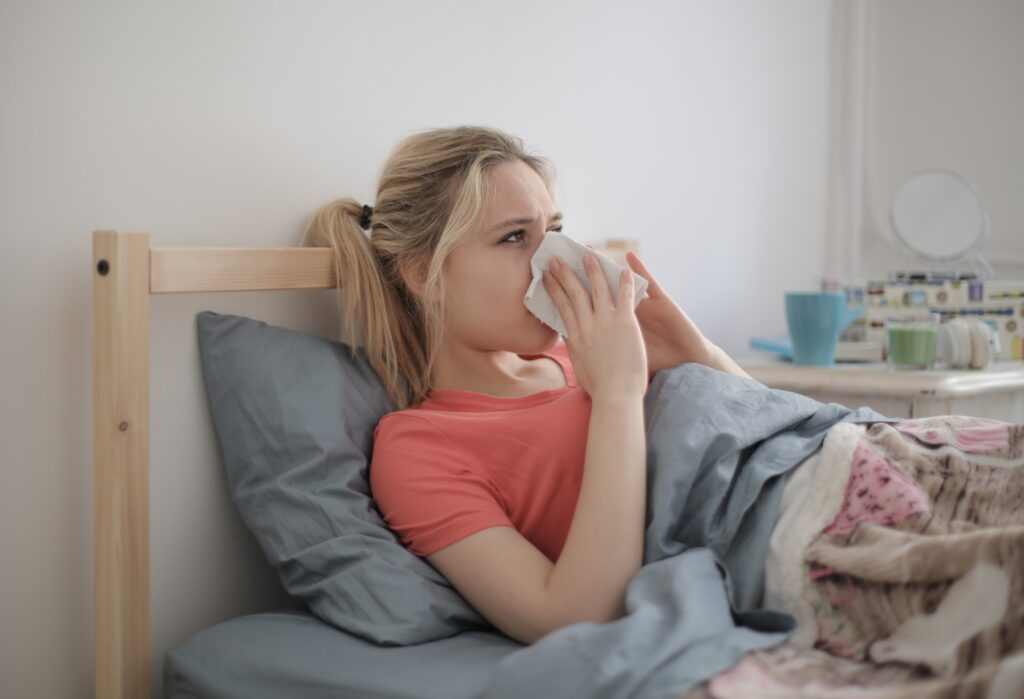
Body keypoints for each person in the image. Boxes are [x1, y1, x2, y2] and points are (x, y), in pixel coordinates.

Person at [299, 125, 750, 645]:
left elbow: (778, 431)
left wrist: (703, 356)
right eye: (515, 238)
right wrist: (618, 395)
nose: (556, 262)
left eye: (555, 229)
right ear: (424, 273)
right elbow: (572, 616)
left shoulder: (590, 349)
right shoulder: (419, 447)